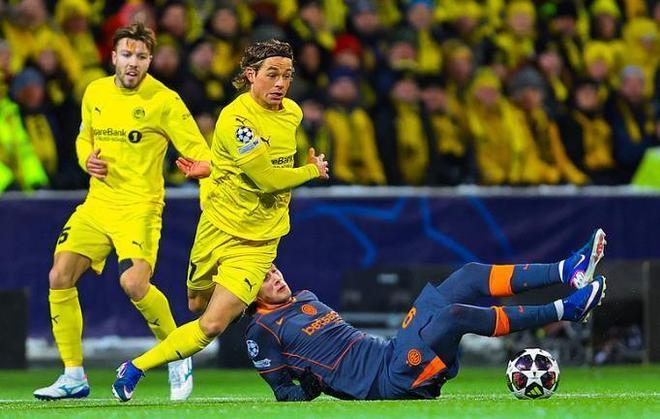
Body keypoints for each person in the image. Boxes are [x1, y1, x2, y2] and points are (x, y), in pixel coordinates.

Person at [112, 38, 330, 402]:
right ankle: (192, 333)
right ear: (250, 75)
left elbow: (262, 164)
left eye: (287, 75)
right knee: (196, 305)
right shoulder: (236, 119)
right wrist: (311, 170)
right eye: (272, 74)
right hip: (216, 228)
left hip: (258, 244)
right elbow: (266, 178)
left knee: (212, 324)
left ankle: (134, 368)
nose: (280, 83)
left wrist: (214, 165)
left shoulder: (292, 113)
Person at [33, 22, 212, 401]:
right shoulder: (95, 91)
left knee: (133, 284)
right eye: (127, 55)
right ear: (113, 56)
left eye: (141, 56)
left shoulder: (164, 100)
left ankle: (177, 352)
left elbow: (200, 153)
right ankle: (73, 375)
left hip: (139, 207)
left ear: (150, 60)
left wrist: (206, 184)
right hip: (98, 204)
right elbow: (84, 137)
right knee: (59, 275)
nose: (133, 63)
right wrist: (86, 159)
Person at [245, 229, 607, 401]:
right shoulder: (261, 330)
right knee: (453, 316)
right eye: (264, 277)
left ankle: (567, 271)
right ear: (250, 291)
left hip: (392, 354)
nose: (275, 277)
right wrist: (312, 388)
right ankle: (566, 309)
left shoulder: (305, 297)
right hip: (386, 383)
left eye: (274, 269)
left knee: (468, 275)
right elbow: (284, 394)